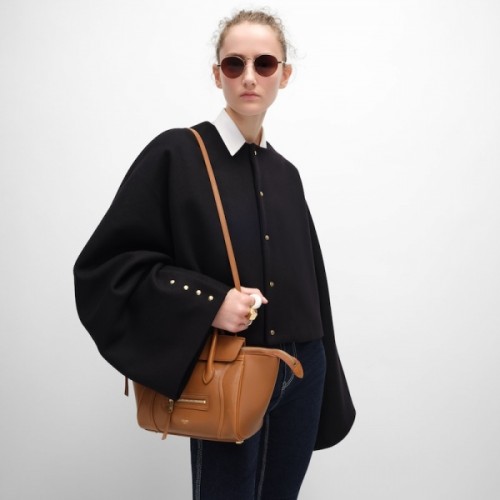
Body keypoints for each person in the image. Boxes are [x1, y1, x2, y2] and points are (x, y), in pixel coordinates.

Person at [74, 9, 355, 500]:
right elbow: (107, 267)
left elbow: (313, 284)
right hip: (229, 368)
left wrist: (324, 367)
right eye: (234, 63)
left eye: (264, 63)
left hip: (304, 373)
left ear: (284, 75)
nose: (249, 76)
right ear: (216, 73)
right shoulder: (178, 154)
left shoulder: (286, 174)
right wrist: (210, 302)